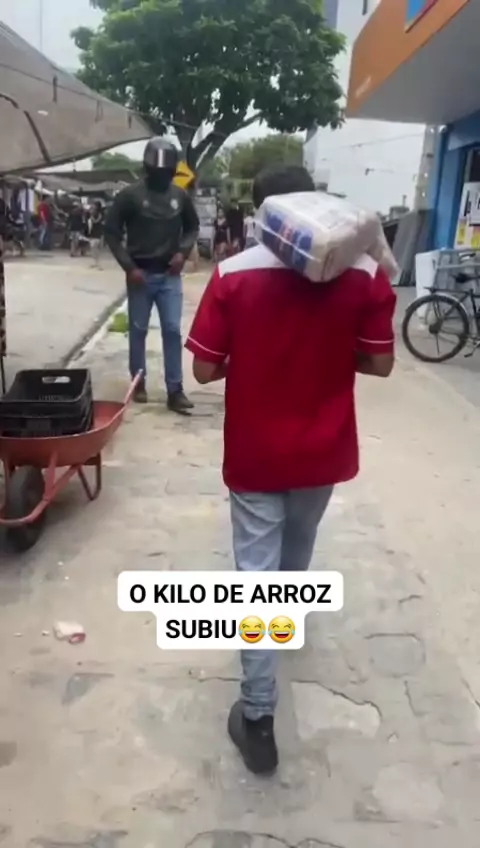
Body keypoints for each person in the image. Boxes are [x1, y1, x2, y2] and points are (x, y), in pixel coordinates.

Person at [185, 164, 396, 776]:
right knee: (297, 546)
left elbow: (203, 369)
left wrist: (253, 357)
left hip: (256, 452)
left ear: (262, 212)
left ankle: (257, 718)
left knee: (256, 578)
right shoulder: (363, 275)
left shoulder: (232, 274)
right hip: (323, 450)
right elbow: (379, 365)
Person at [104, 137, 200, 412]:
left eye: (165, 172)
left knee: (172, 330)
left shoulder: (180, 197)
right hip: (140, 275)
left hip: (169, 275)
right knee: (138, 330)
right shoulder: (130, 196)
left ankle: (175, 390)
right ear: (147, 168)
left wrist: (182, 252)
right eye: (156, 172)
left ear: (173, 171)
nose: (161, 176)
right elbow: (111, 232)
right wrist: (129, 267)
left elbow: (192, 227)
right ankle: (139, 381)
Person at [88, 201, 104, 269]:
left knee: (96, 247)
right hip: (93, 231)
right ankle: (95, 262)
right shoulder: (93, 213)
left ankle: (98, 262)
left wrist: (91, 217)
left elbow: (96, 221)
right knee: (92, 247)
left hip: (98, 232)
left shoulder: (100, 214)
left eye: (94, 205)